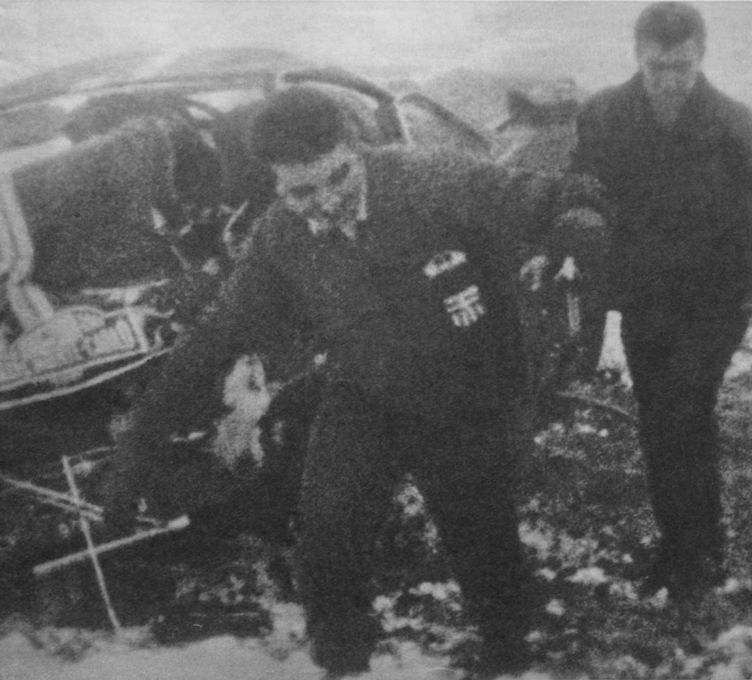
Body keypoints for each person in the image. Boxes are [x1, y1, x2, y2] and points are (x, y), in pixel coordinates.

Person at [107, 86, 609, 677]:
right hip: (364, 389)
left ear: (354, 149)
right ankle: (344, 663)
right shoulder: (280, 236)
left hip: (463, 388)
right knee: (326, 539)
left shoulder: (432, 180)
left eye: (336, 179)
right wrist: (142, 434)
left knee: (478, 535)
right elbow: (219, 334)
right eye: (300, 192)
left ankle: (508, 653)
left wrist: (576, 230)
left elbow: (567, 195)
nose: (324, 204)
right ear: (275, 184)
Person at [571, 2, 752, 600]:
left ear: (701, 56)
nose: (669, 79)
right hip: (645, 298)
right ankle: (680, 544)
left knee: (682, 408)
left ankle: (698, 552)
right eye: (657, 67)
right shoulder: (602, 115)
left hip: (714, 301)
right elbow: (583, 189)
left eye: (681, 66)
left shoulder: (737, 125)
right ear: (637, 56)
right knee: (658, 418)